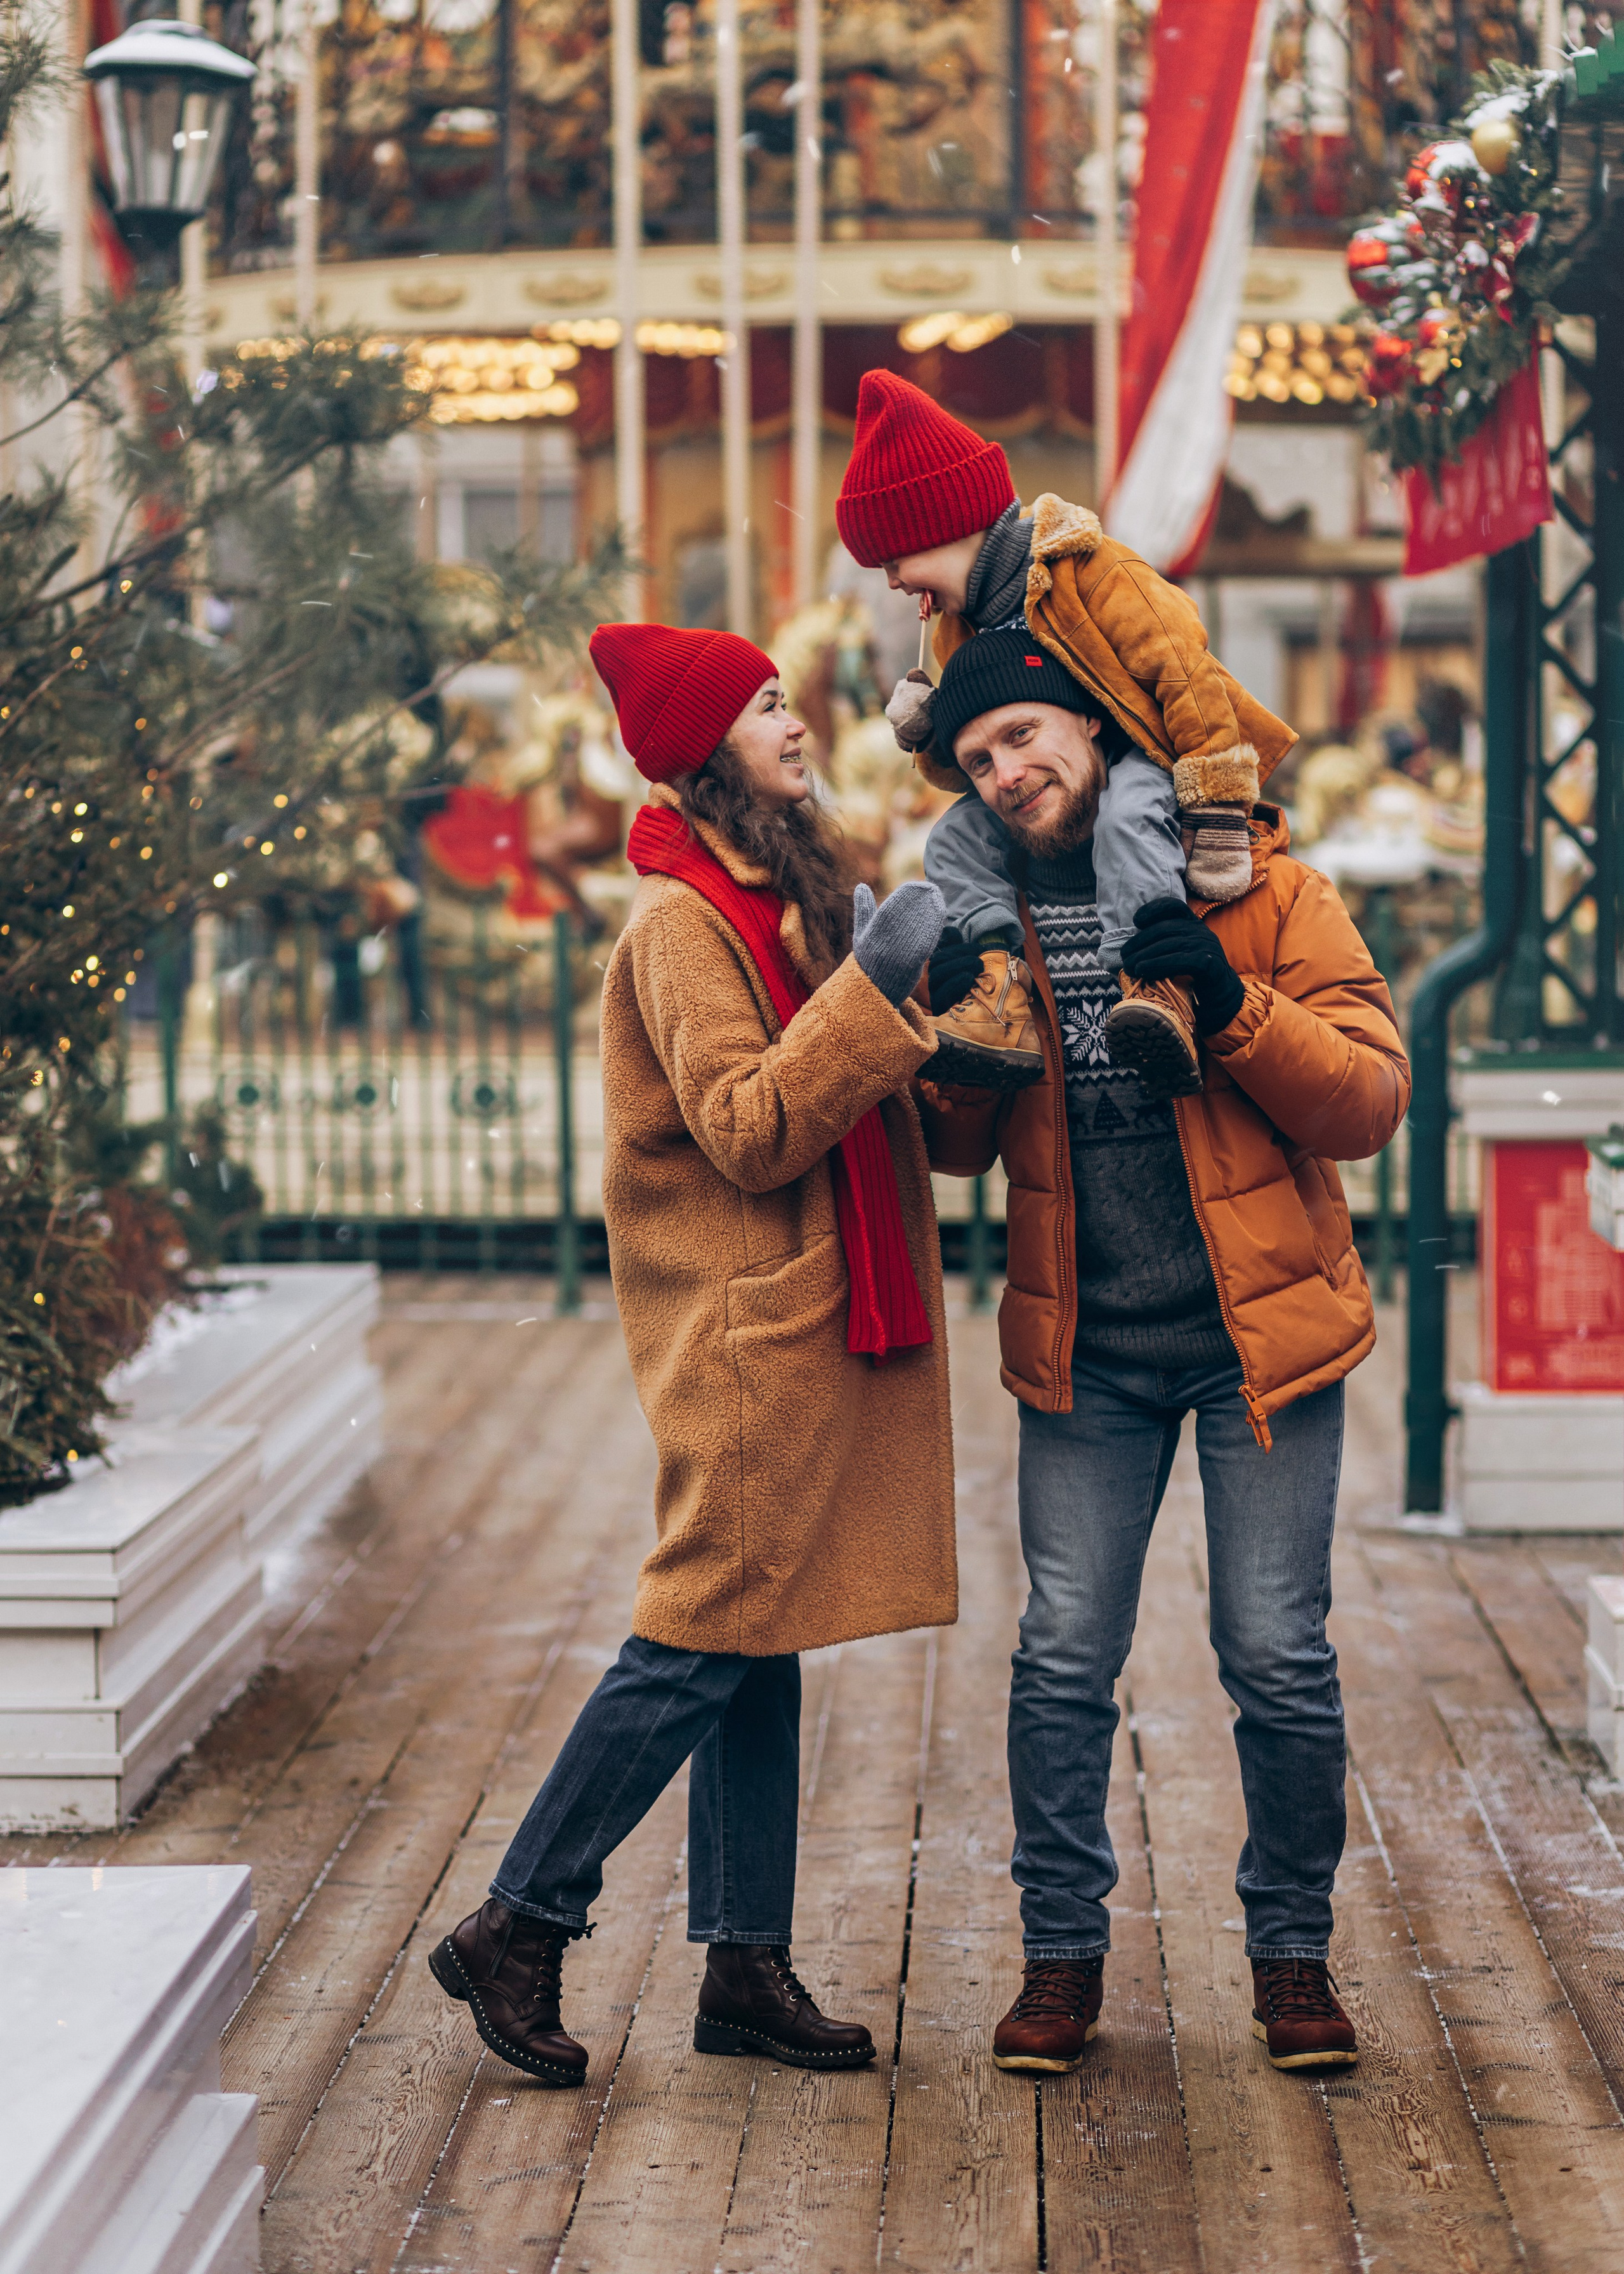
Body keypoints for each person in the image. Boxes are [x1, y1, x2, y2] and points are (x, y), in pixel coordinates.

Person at [429, 623, 957, 2085]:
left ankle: (740, 1963)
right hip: (742, 1338)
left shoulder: (762, 900)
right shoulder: (677, 926)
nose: (797, 722)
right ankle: (517, 1923)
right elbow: (744, 1123)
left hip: (787, 1319)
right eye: (767, 704)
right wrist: (869, 990)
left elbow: (843, 1089)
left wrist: (904, 989)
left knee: (751, 1636)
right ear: (708, 745)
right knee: (695, 1637)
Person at [915, 633, 1410, 2077]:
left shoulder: (1256, 888)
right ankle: (1059, 1958)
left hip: (1258, 1344)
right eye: (977, 759)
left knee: (1273, 1654)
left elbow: (1369, 1098)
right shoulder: (988, 916)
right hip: (1087, 1350)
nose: (1008, 772)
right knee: (1062, 1655)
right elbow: (951, 1151)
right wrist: (946, 1034)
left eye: (1022, 735)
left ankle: (1290, 1956)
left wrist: (1234, 1003)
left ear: (1086, 724)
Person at [834, 369, 1294, 1100]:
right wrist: (930, 730)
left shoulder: (1089, 569)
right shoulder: (957, 627)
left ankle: (1154, 981)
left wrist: (1214, 805)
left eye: (893, 558)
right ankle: (997, 991)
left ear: (937, 526)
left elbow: (1185, 672)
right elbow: (974, 763)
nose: (891, 581)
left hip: (1142, 761)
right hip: (1065, 792)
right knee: (951, 839)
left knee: (1127, 814)